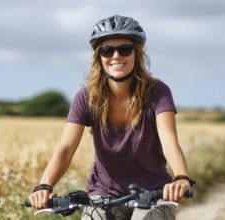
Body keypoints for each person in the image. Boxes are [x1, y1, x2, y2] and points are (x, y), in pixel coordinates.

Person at [28, 15, 195, 220]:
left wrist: (181, 177)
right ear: (99, 57)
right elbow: (65, 148)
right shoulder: (86, 97)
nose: (116, 56)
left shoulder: (157, 92)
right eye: (107, 50)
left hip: (152, 193)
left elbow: (169, 140)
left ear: (137, 54)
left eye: (124, 49)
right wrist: (44, 186)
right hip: (103, 194)